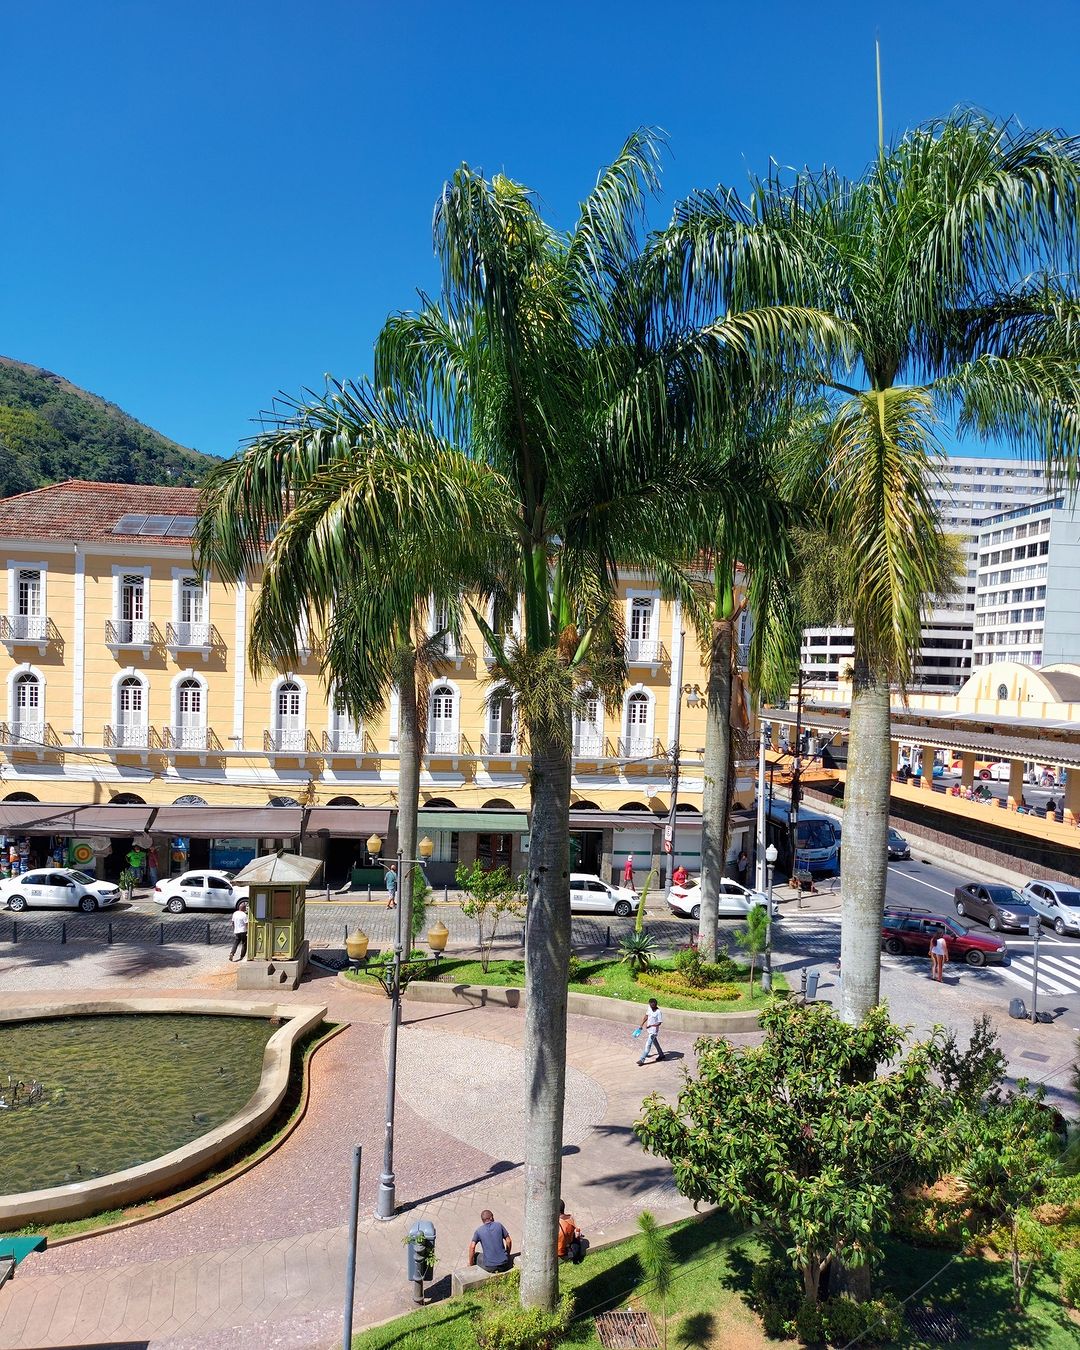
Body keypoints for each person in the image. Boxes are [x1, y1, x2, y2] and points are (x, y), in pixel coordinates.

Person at [637, 998, 665, 1065]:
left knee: (648, 1045)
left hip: (653, 1032)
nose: (652, 1007)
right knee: (655, 1043)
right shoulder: (649, 1008)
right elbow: (646, 1016)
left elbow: (659, 1022)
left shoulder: (658, 1012)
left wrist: (651, 1025)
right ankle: (661, 1055)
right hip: (649, 1030)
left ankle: (642, 1059)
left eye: (653, 1006)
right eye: (651, 1005)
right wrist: (641, 1024)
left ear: (656, 1005)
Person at [557, 1200, 583, 1264]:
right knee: (577, 1240)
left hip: (558, 1252)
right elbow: (577, 1235)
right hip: (567, 1249)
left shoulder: (552, 1225)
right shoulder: (570, 1219)